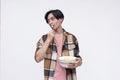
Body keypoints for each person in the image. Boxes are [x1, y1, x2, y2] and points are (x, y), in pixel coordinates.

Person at [34, 9, 82, 80]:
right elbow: (37, 58)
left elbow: (77, 57)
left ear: (61, 19)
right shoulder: (44, 38)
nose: (50, 22)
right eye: (48, 21)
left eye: (52, 19)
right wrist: (48, 40)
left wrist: (79, 62)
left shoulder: (72, 38)